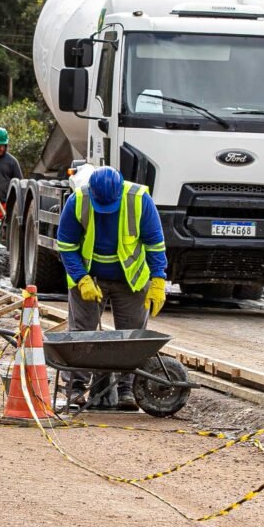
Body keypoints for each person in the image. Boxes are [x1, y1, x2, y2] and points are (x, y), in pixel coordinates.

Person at [54, 166, 167, 410]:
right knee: (81, 334)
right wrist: (80, 278)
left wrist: (158, 280)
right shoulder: (79, 201)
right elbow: (66, 244)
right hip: (89, 278)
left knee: (131, 337)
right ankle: (76, 389)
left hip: (131, 280)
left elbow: (155, 244)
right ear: (92, 192)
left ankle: (126, 390)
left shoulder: (139, 200)